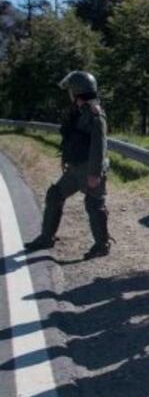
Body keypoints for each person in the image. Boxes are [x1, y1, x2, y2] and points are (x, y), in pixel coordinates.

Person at [25, 71, 111, 259]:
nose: (69, 94)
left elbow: (99, 145)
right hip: (75, 169)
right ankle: (46, 237)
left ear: (78, 91)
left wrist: (95, 173)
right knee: (55, 195)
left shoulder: (95, 113)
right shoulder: (78, 110)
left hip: (90, 169)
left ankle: (101, 245)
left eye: (71, 90)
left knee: (94, 205)